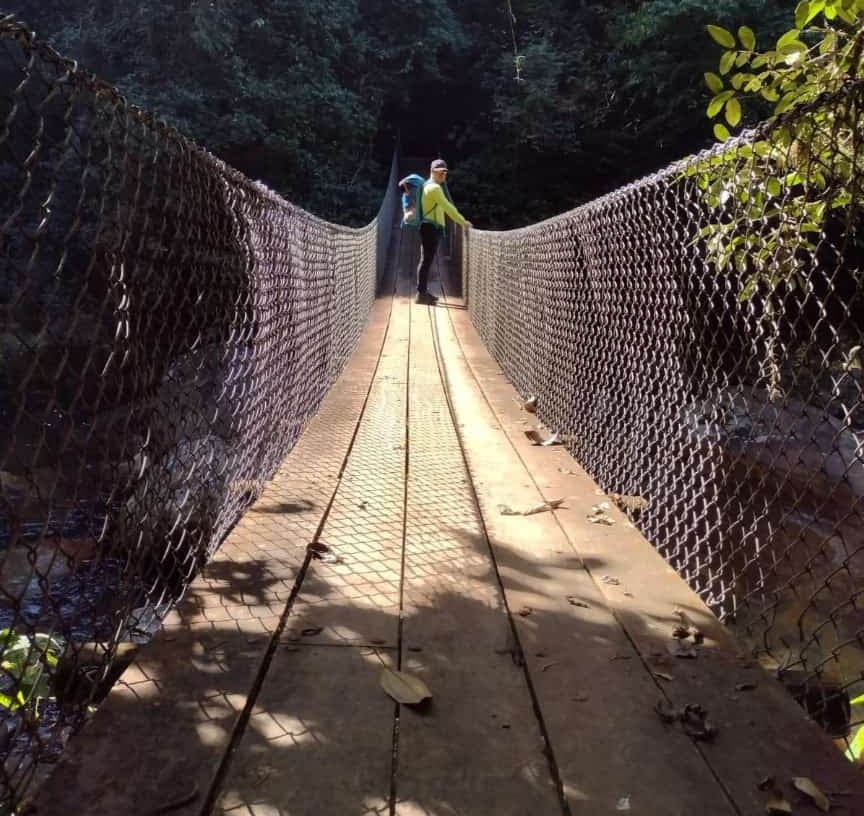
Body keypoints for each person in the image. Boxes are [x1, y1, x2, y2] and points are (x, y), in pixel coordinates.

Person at [415, 159, 472, 304]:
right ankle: (421, 294)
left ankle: (422, 292)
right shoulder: (434, 188)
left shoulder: (427, 185)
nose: (443, 175)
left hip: (429, 227)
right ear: (432, 171)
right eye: (440, 172)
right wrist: (463, 222)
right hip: (431, 228)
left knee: (426, 260)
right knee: (426, 261)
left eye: (445, 172)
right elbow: (448, 207)